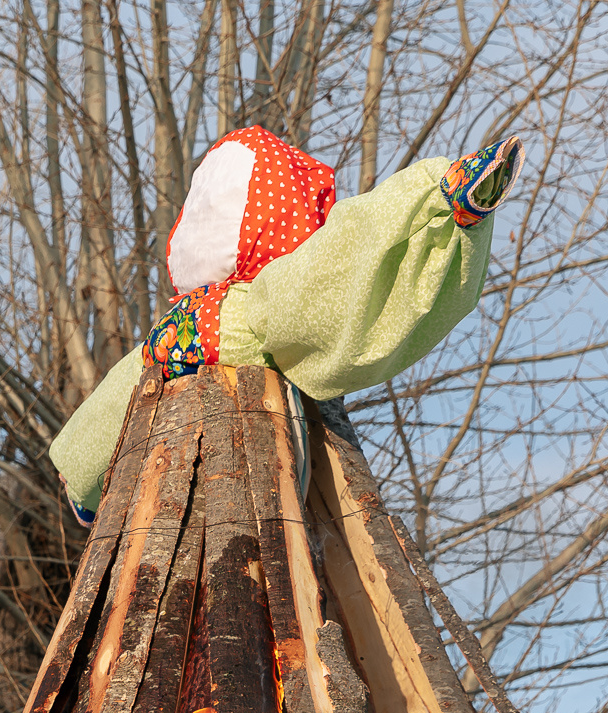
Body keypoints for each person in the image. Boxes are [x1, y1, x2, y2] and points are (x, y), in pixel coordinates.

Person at [48, 126, 524, 522]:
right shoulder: (260, 307)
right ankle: (453, 201)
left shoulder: (174, 331)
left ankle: (450, 203)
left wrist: (83, 481)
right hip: (247, 496)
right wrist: (435, 204)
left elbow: (116, 399)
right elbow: (344, 261)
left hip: (169, 503)